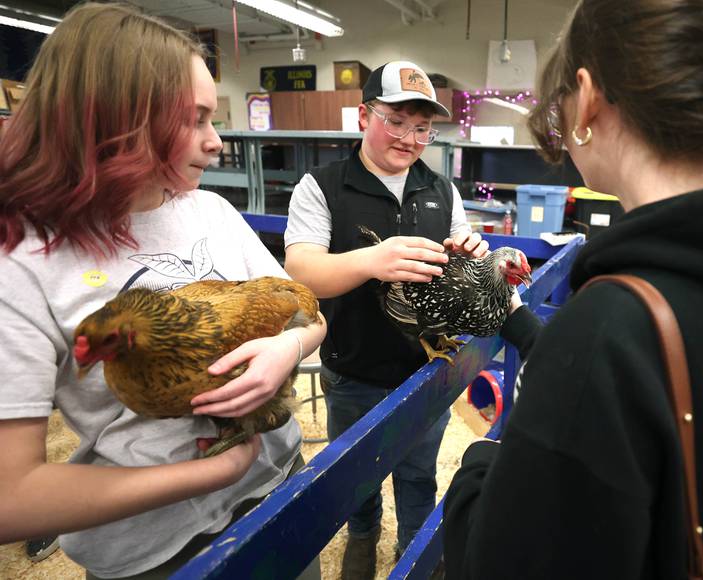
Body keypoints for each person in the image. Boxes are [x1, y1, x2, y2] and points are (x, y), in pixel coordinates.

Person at [442, 0, 703, 578]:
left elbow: (497, 559)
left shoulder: (609, 326)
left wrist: (481, 464)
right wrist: (529, 329)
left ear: (586, 97)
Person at [0, 4, 326, 579]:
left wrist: (287, 351)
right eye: (194, 120)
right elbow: (12, 496)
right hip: (159, 552)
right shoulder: (20, 263)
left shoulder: (211, 210)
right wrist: (214, 473)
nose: (217, 142)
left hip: (280, 488)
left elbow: (307, 315)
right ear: (115, 120)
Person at [283, 60, 487, 577]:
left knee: (419, 476)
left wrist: (473, 248)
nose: (410, 138)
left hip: (427, 372)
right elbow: (301, 270)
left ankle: (415, 555)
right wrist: (371, 260)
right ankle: (362, 536)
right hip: (353, 369)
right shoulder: (322, 185)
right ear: (363, 116)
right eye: (395, 121)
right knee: (357, 480)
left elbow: (465, 256)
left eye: (422, 127)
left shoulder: (442, 189)